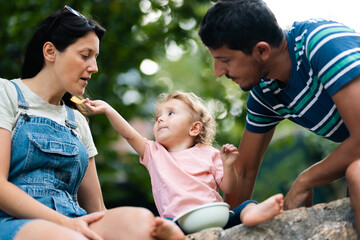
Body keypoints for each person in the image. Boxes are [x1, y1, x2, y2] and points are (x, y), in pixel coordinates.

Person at [0, 5, 184, 240]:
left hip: (73, 222)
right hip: (13, 222)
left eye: (95, 58)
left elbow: (97, 210)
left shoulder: (76, 120)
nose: (94, 68)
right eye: (85, 55)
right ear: (50, 52)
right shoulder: (6, 93)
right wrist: (67, 224)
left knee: (141, 222)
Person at [198, 0, 360, 235]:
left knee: (356, 174)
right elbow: (242, 172)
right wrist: (224, 232)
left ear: (262, 50)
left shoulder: (322, 44)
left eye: (225, 60)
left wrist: (306, 179)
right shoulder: (266, 93)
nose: (218, 72)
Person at [84, 90, 284, 230]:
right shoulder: (154, 153)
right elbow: (129, 135)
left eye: (170, 113)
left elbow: (229, 187)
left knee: (245, 205)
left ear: (194, 128)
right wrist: (108, 110)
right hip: (178, 221)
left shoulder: (209, 153)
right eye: (157, 117)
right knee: (158, 226)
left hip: (214, 214)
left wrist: (228, 165)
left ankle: (252, 214)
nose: (161, 119)